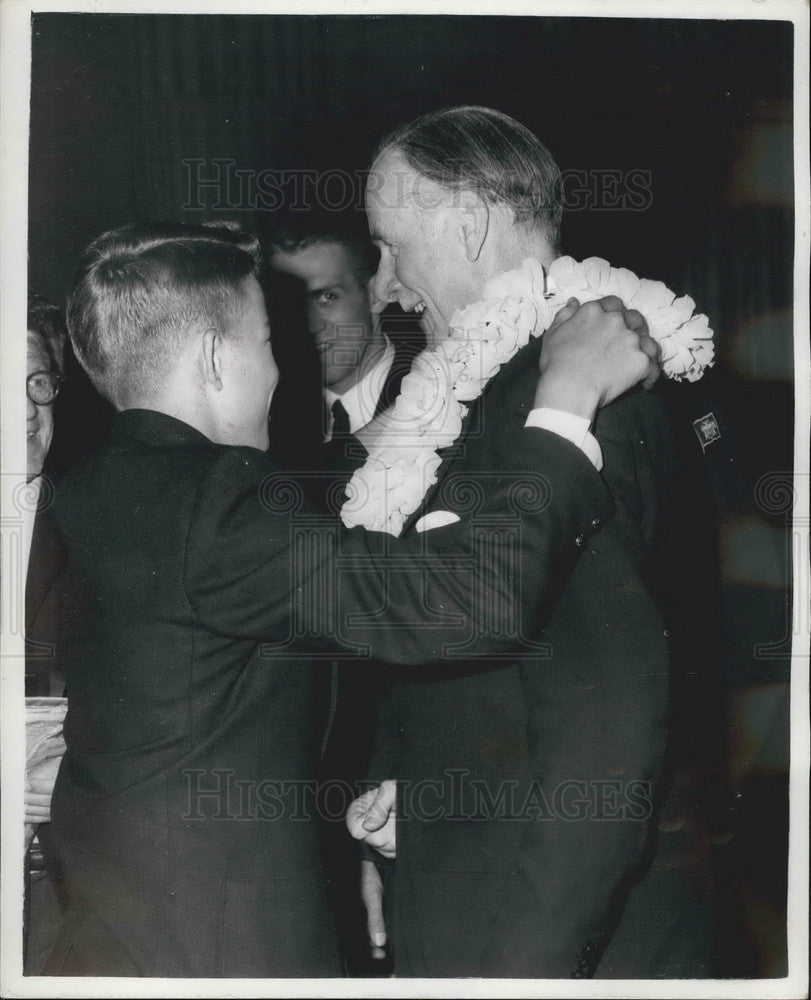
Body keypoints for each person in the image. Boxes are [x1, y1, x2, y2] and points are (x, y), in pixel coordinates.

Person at [43, 220, 657, 977]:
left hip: (119, 918)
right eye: (269, 342)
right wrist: (563, 406)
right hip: (212, 948)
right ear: (212, 358)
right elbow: (468, 598)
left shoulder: (99, 485)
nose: (281, 370)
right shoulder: (215, 505)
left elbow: (299, 490)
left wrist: (436, 393)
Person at [346, 106, 707, 977]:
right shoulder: (497, 389)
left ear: (468, 222)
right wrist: (410, 785)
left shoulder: (574, 400)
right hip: (474, 889)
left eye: (391, 247)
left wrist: (526, 969)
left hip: (544, 933)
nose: (382, 287)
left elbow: (609, 730)